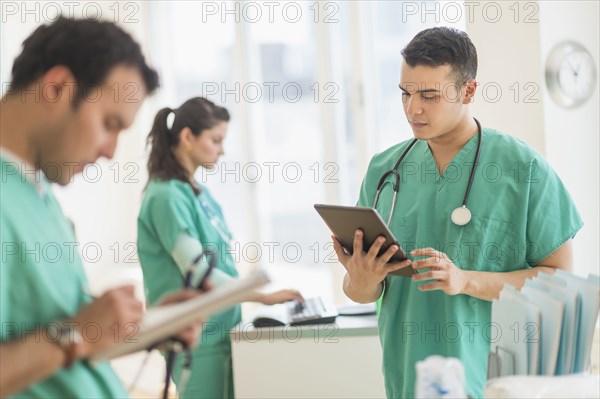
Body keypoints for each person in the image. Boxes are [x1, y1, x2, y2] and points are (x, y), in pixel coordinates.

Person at [332, 27, 582, 398]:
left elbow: (560, 285)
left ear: (468, 91)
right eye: (405, 93)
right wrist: (362, 281)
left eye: (429, 95)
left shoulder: (522, 168)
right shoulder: (385, 170)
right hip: (407, 377)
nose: (412, 109)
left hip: (494, 380)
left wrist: (466, 280)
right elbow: (362, 292)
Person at [0, 17, 202, 398]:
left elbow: (50, 331)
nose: (110, 152)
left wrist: (148, 327)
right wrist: (78, 333)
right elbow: (70, 336)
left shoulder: (37, 192)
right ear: (57, 88)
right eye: (109, 124)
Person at [137, 96, 304, 399]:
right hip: (197, 340)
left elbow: (220, 262)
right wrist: (261, 296)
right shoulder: (166, 197)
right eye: (215, 140)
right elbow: (198, 269)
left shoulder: (199, 193)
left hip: (224, 331)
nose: (222, 150)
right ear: (187, 137)